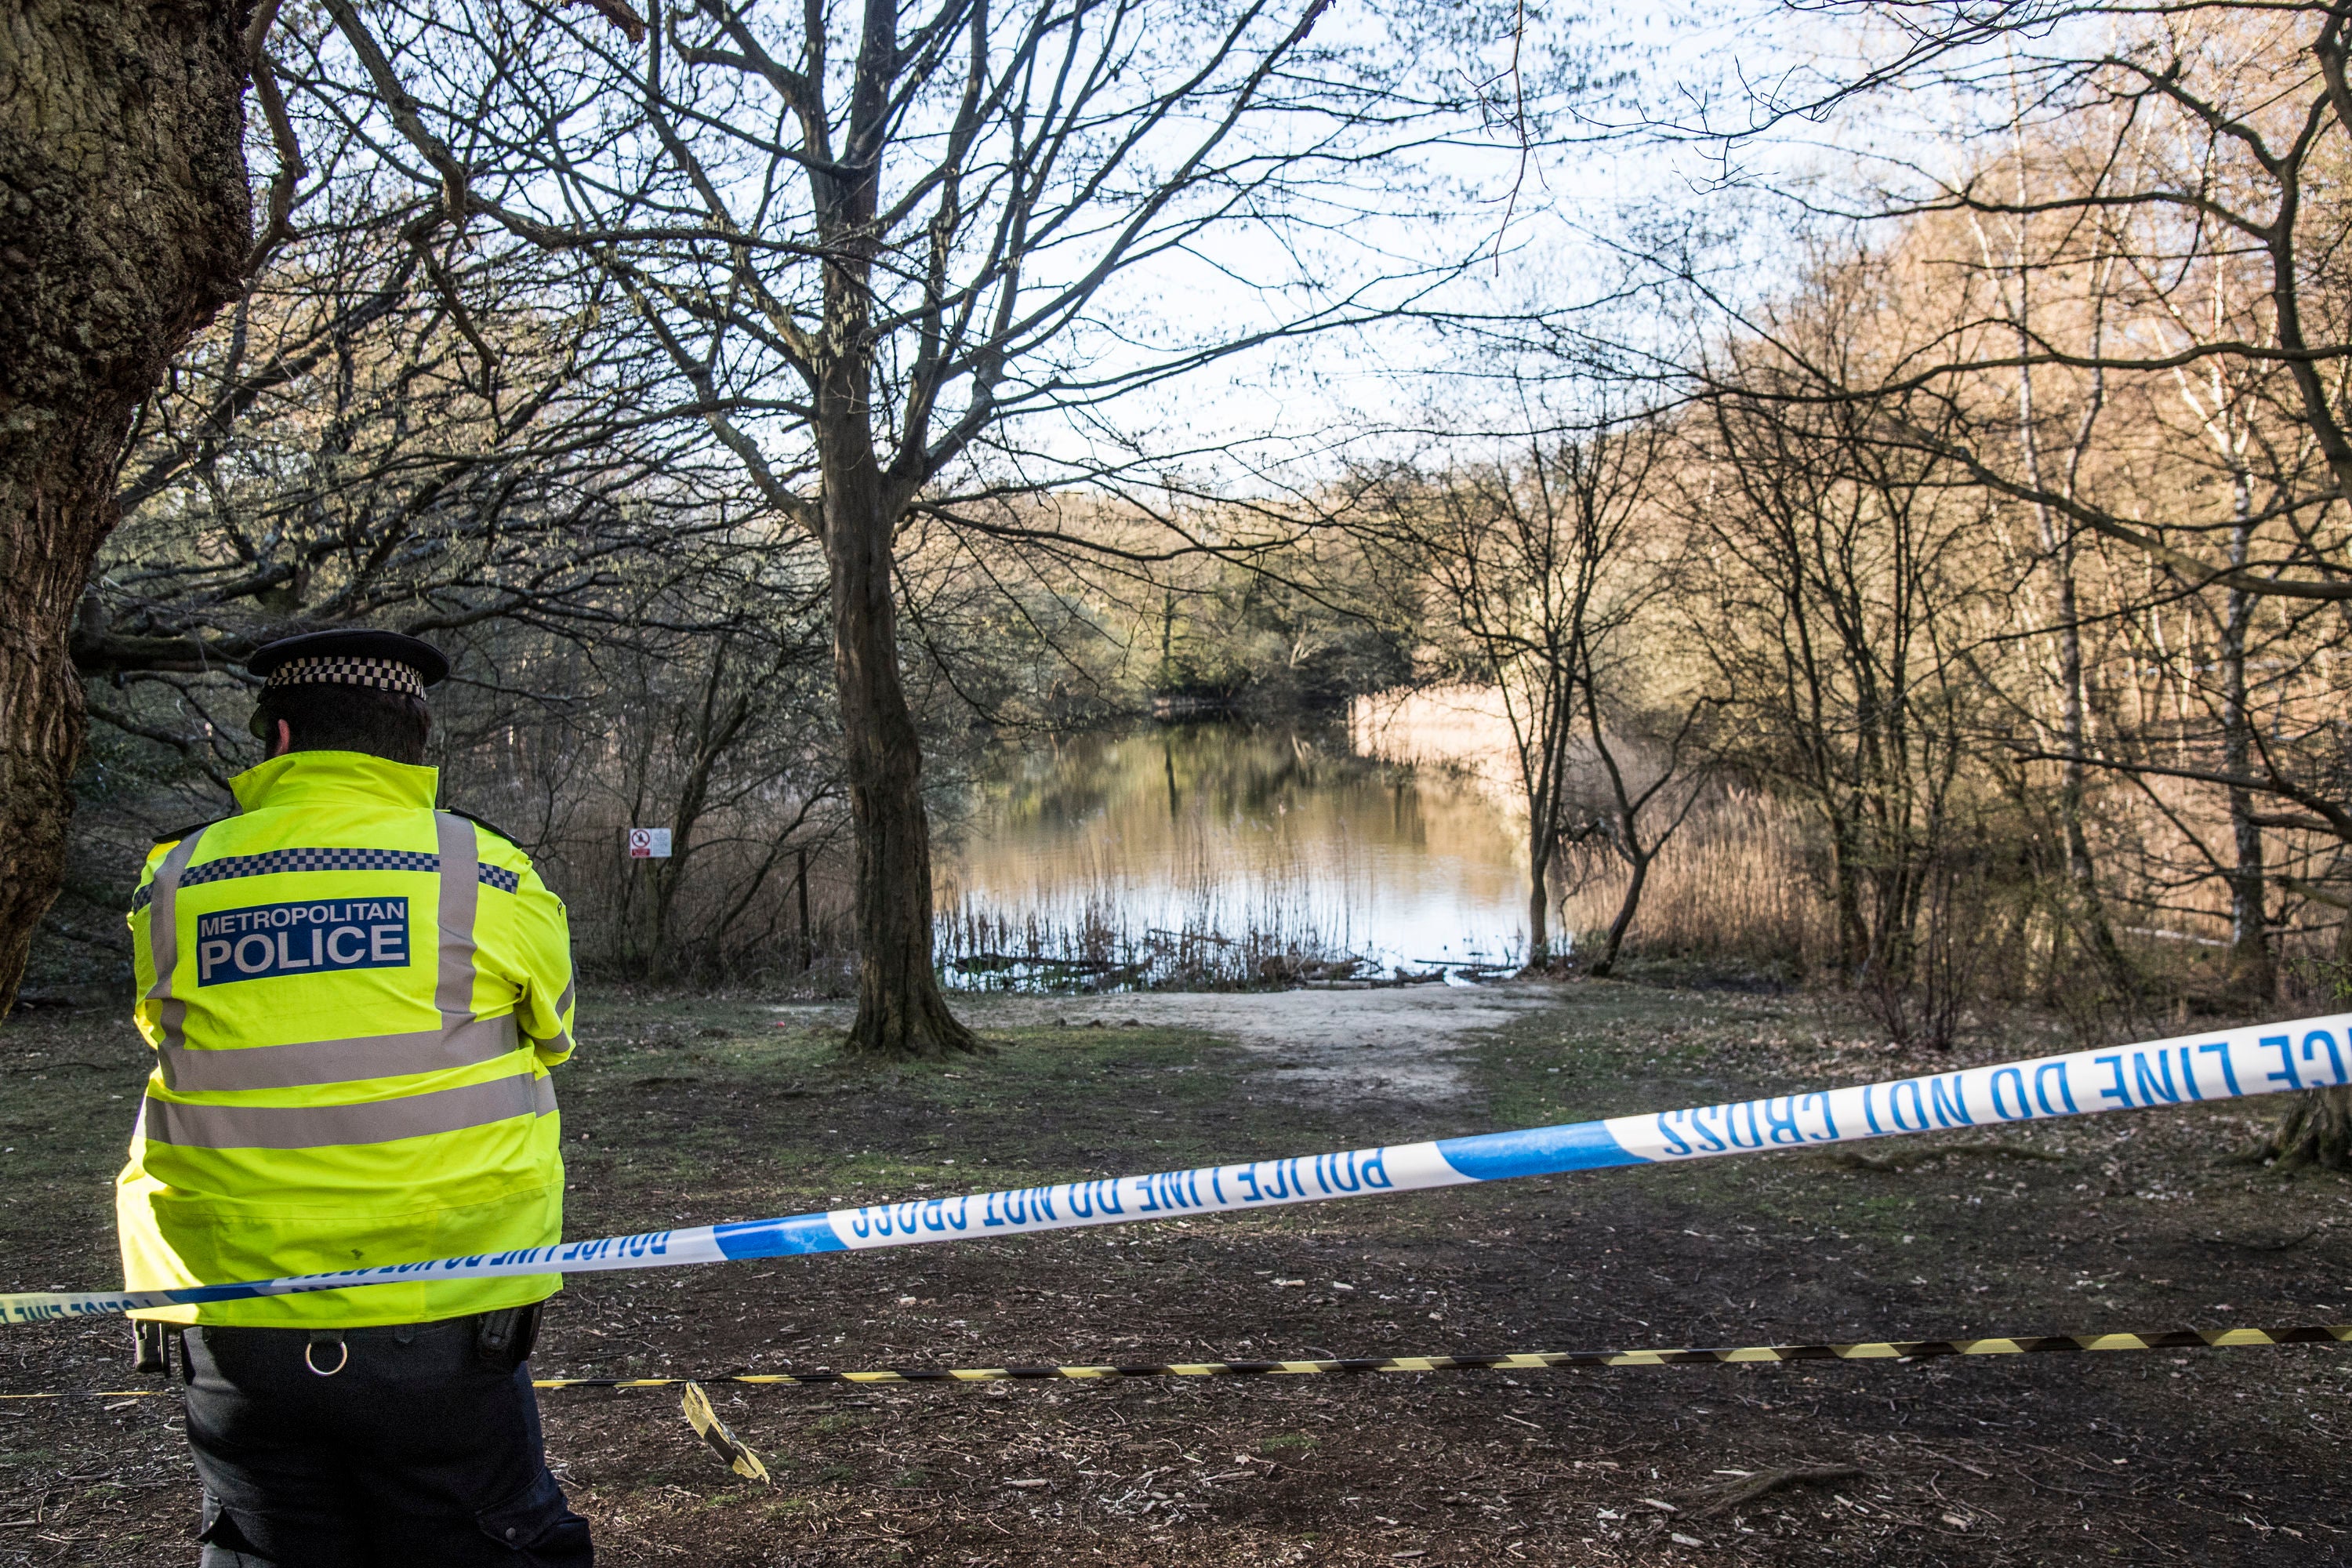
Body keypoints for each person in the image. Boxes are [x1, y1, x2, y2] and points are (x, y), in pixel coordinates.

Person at [116, 629, 593, 1566]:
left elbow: (169, 1030)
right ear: (419, 743)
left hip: (231, 1316)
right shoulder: (487, 870)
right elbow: (556, 1030)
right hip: (446, 1317)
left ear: (281, 737)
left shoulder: (174, 879)